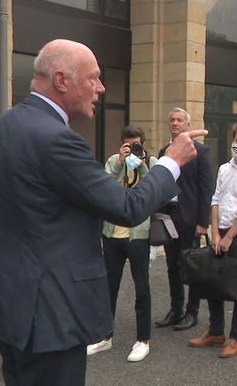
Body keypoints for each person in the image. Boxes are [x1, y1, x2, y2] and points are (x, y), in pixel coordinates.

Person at [0, 39, 206, 386]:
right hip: (51, 316)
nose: (101, 87)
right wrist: (172, 161)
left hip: (10, 306)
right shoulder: (58, 139)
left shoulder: (5, 126)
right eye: (93, 78)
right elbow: (128, 207)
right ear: (62, 80)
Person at [188, 122, 237, 358]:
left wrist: (230, 236)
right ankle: (216, 332)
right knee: (212, 282)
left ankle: (236, 337)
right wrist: (215, 234)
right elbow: (215, 199)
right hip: (219, 234)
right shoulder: (224, 168)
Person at [86, 126, 158, 361]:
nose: (133, 148)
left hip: (138, 234)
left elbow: (153, 191)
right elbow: (105, 190)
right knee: (108, 287)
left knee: (142, 287)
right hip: (112, 233)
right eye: (128, 144)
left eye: (136, 144)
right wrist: (120, 161)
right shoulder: (112, 161)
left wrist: (143, 164)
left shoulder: (152, 162)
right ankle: (104, 336)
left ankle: (143, 340)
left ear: (143, 144)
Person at [154, 107, 213, 331]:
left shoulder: (200, 152)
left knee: (191, 265)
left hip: (190, 216)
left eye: (180, 120)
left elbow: (206, 188)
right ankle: (176, 309)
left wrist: (202, 222)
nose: (175, 123)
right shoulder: (163, 152)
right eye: (172, 120)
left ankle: (192, 312)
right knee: (172, 265)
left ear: (188, 125)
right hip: (169, 215)